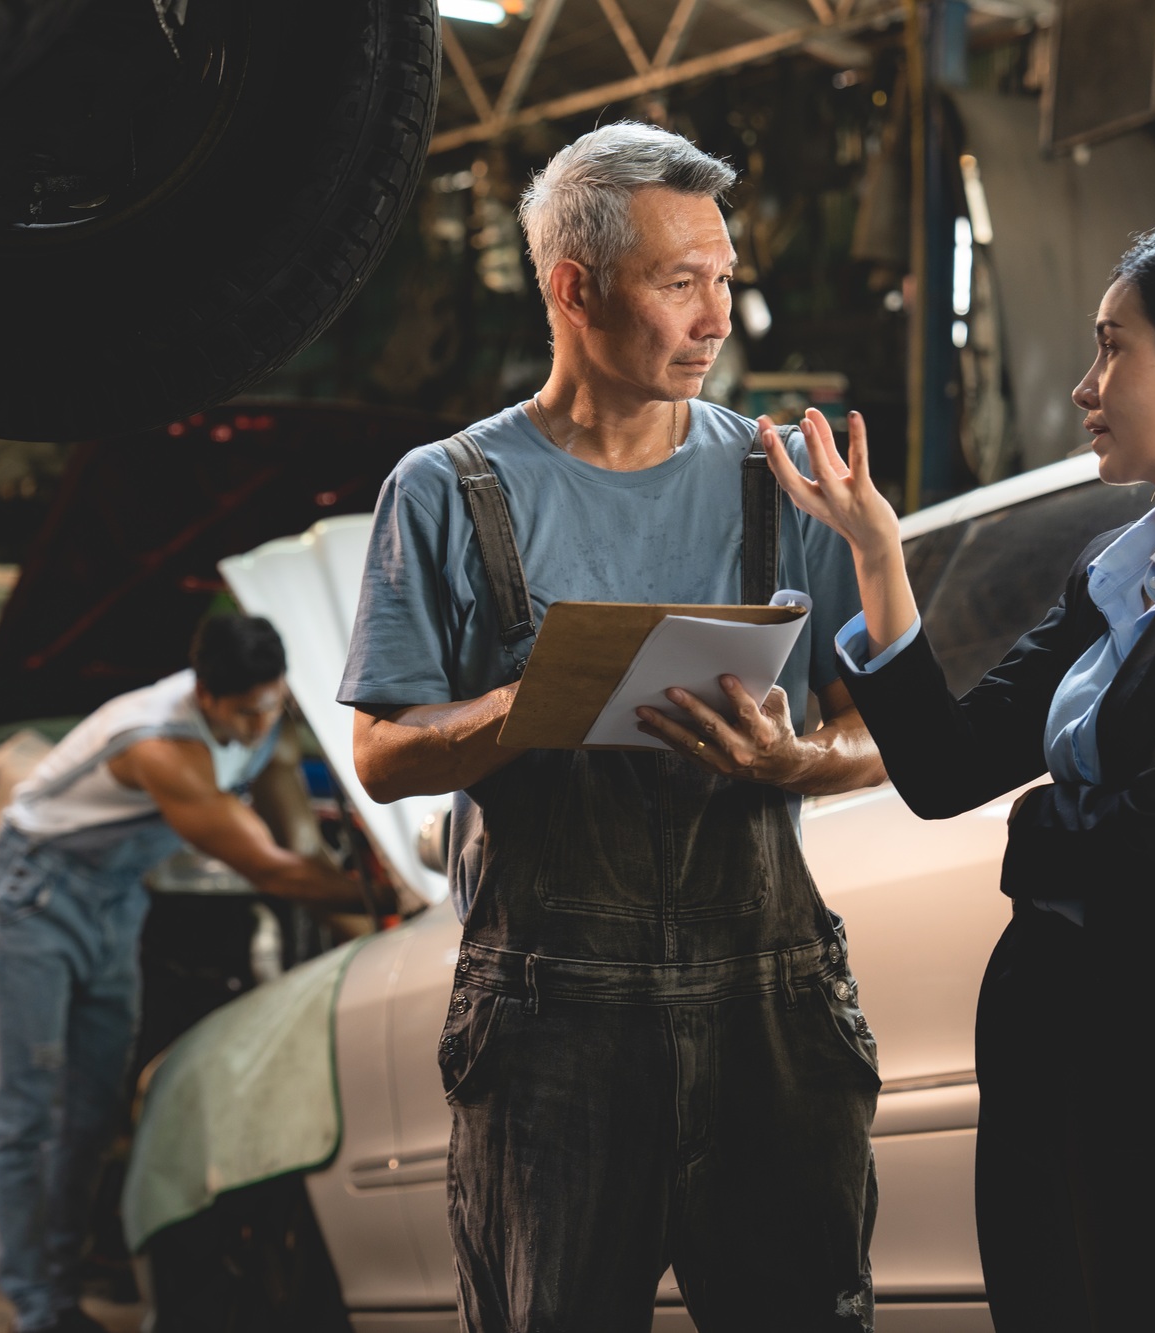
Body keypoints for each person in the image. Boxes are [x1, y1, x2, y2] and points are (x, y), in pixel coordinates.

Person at [764, 211, 1155, 1331]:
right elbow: (946, 767)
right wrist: (875, 555)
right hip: (1058, 1041)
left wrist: (1038, 826)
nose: (1084, 384)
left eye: (1111, 347)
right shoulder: (1121, 565)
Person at [342, 122, 889, 1332]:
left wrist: (801, 758)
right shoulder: (444, 489)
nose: (715, 319)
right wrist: (522, 710)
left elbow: (878, 733)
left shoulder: (776, 475)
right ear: (571, 288)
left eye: (724, 279)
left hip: (771, 1013)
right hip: (551, 1033)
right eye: (678, 282)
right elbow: (379, 754)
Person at [0, 613, 372, 1333]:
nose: (258, 725)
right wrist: (384, 895)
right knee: (27, 1110)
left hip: (117, 899)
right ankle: (38, 1306)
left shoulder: (267, 724)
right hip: (33, 895)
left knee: (94, 1107)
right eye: (244, 711)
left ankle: (62, 1282)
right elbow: (268, 867)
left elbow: (302, 845)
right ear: (206, 697)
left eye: (270, 705)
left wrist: (381, 929)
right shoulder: (160, 742)